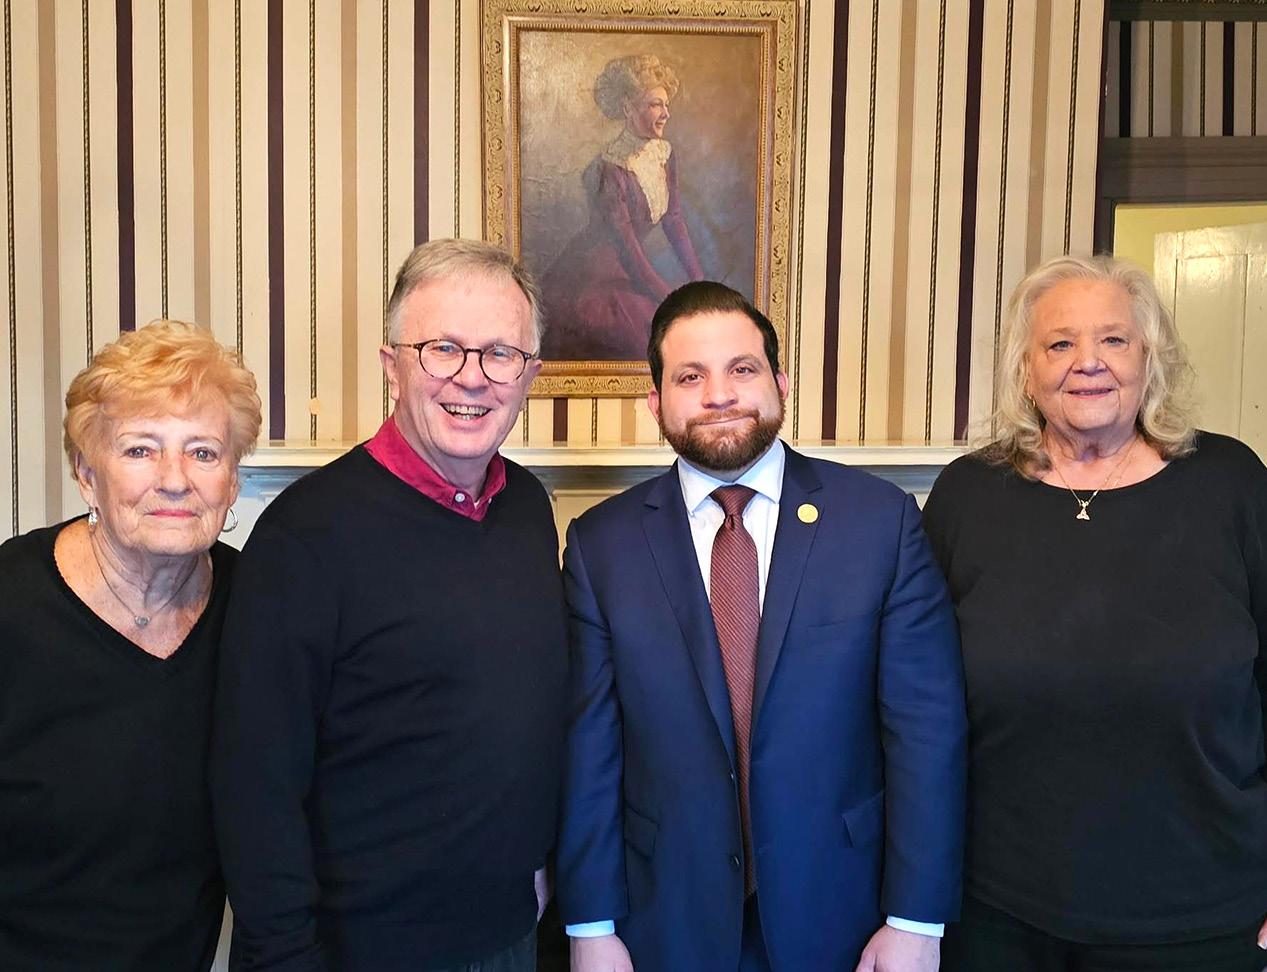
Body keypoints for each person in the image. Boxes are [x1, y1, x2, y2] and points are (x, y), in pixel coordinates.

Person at [556, 281, 967, 971]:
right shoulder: (602, 545)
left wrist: (915, 920)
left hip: (846, 911)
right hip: (664, 916)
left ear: (780, 383)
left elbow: (926, 730)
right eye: (690, 376)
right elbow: (589, 748)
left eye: (742, 369)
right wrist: (590, 926)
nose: (719, 394)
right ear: (655, 402)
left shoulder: (879, 522)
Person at [211, 239, 568, 971]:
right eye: (443, 349)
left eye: (501, 353)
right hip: (359, 950)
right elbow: (255, 783)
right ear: (391, 366)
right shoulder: (304, 535)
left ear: (529, 375)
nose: (472, 377)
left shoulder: (528, 508)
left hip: (510, 936)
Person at [922, 254, 1267, 971]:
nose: (1088, 362)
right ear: (1026, 370)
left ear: (1149, 358)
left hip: (1200, 912)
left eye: (1113, 339)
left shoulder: (1232, 483)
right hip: (998, 914)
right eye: (1059, 343)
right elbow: (918, 699)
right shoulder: (967, 495)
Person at [0, 320, 261, 970]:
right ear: (87, 474)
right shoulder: (10, 603)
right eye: (141, 449)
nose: (174, 479)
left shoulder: (259, 609)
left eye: (203, 453)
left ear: (232, 481)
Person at [540, 53, 705, 361]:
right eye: (655, 104)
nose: (666, 114)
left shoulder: (665, 154)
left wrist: (699, 282)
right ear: (628, 108)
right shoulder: (609, 168)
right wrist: (667, 296)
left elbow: (674, 219)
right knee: (644, 337)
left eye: (666, 105)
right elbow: (626, 244)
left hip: (633, 267)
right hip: (594, 276)